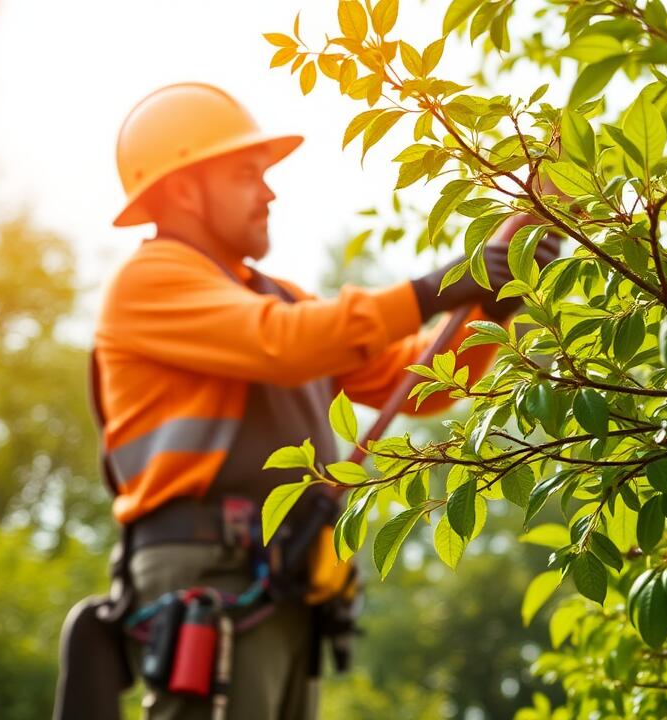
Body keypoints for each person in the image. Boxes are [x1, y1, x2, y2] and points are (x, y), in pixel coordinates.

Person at [53, 82, 559, 720]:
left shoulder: (279, 296)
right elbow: (283, 344)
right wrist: (446, 282)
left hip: (283, 575)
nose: (269, 192)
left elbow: (421, 380)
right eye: (246, 174)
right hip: (209, 569)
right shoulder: (149, 283)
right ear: (182, 188)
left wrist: (490, 307)